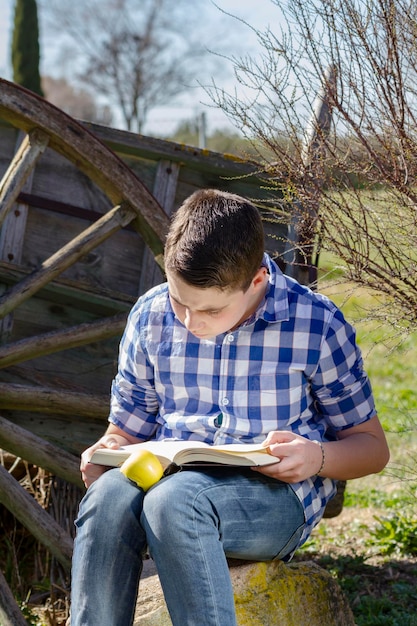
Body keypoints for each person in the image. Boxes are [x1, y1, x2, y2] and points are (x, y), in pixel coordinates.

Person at [70, 188, 389, 626]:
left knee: (175, 503)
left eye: (210, 310)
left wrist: (316, 458)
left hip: (276, 501)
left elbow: (372, 449)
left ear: (256, 281)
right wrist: (105, 451)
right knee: (107, 497)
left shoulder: (316, 324)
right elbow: (126, 429)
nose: (190, 321)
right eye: (180, 302)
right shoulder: (150, 315)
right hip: (169, 477)